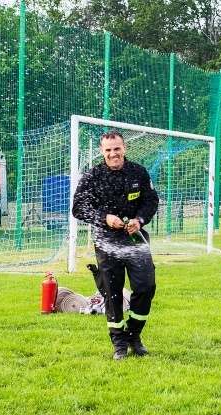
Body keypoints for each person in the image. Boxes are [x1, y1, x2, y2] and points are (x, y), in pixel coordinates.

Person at [71, 130, 159, 361]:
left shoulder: (138, 172)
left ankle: (134, 335)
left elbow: (151, 201)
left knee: (146, 287)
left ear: (124, 148)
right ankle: (119, 343)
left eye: (117, 148)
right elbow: (78, 208)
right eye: (108, 150)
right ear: (102, 151)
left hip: (135, 240)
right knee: (113, 293)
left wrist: (139, 220)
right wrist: (104, 218)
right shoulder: (92, 176)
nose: (113, 154)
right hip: (106, 242)